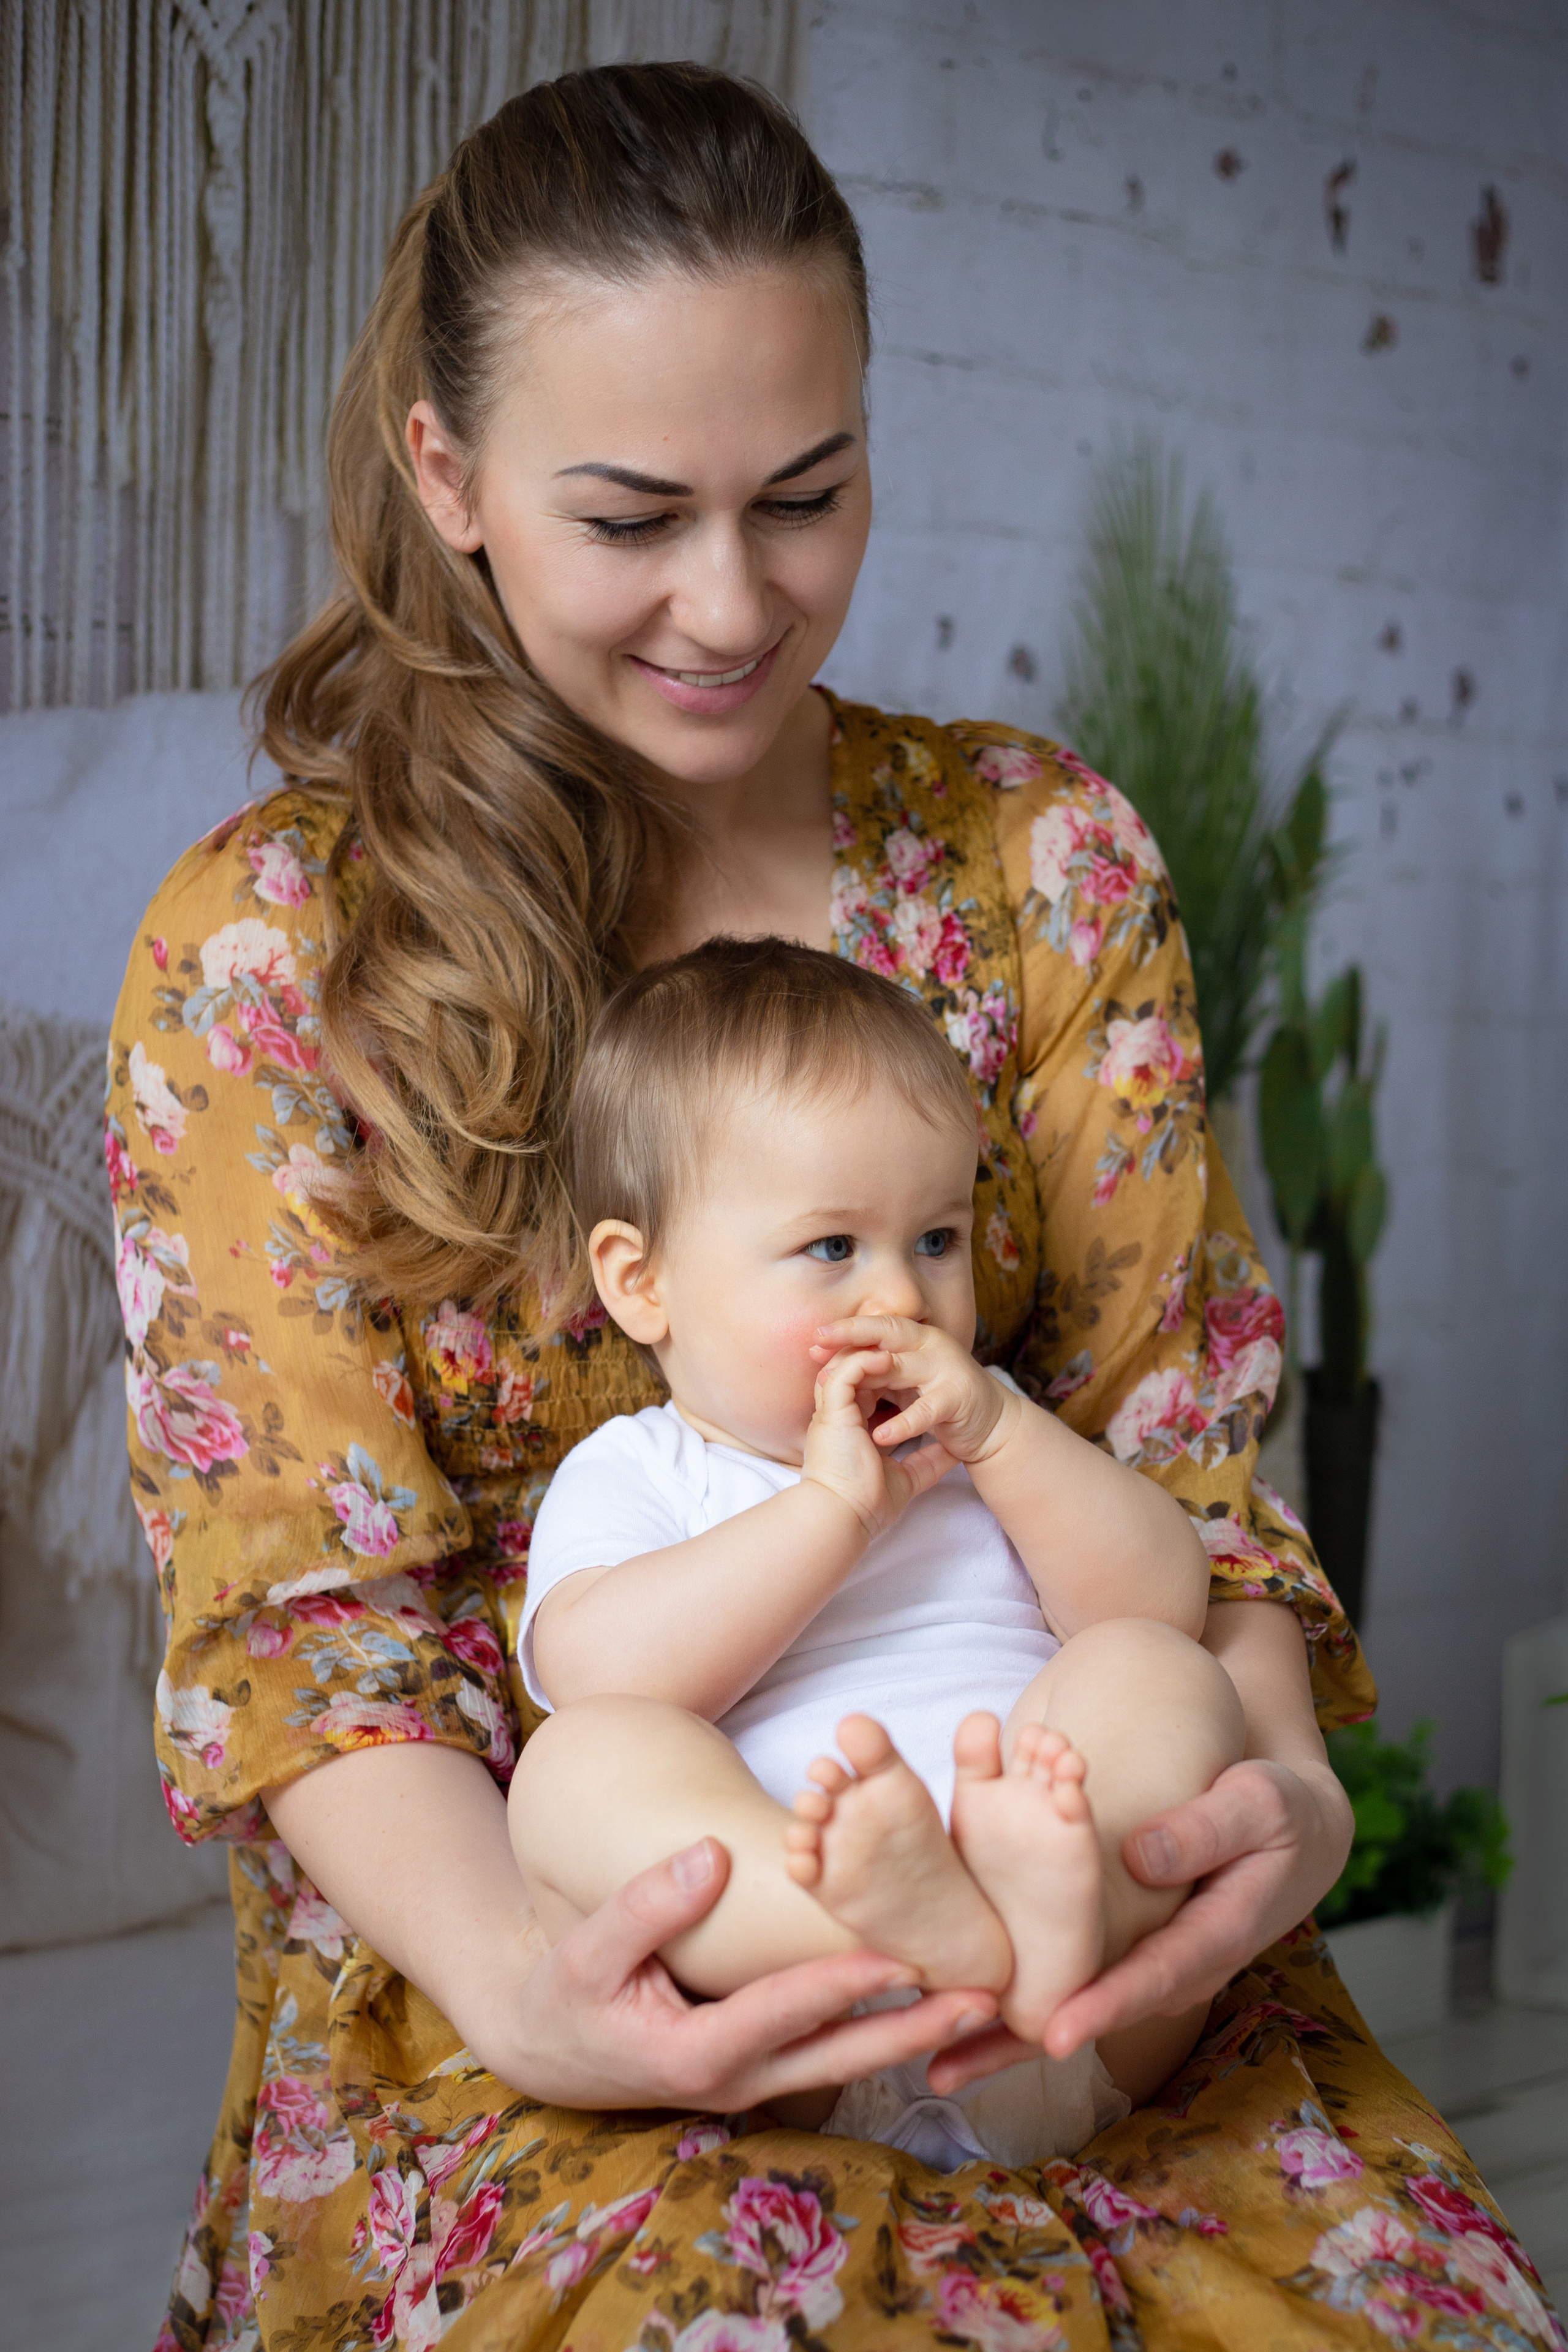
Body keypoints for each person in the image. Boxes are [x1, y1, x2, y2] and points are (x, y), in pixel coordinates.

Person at [108, 59, 1555, 2352]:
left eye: (807, 494)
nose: (728, 600)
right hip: (552, 1959)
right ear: (448, 475)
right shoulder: (278, 951)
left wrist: (1268, 1789)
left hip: (1075, 1907)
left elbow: (1184, 1477)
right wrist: (531, 1997)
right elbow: (313, 1638)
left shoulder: (1038, 860)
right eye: (631, 517)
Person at [511, 935, 1248, 2171]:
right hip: (802, 2038)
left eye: (937, 1240)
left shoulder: (987, 1444)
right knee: (577, 1765)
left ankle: (1058, 1905)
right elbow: (597, 1675)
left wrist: (1008, 1435)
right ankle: (861, 1917)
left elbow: (1164, 1600)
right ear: (643, 1286)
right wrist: (830, 1515)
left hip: (1080, 2015)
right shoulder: (642, 1471)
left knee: (1156, 1669)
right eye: (832, 1249)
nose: (901, 1301)